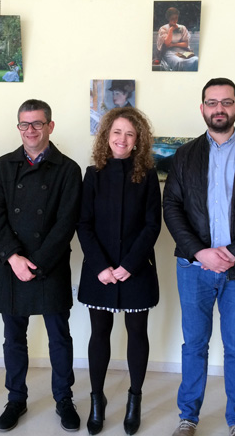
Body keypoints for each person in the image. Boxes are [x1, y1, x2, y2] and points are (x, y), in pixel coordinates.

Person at [163, 77, 235, 436]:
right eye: (212, 102)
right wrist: (199, 251)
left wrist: (234, 251)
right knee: (194, 344)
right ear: (202, 108)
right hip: (193, 267)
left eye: (226, 102)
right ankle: (188, 416)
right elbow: (172, 207)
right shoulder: (184, 155)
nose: (219, 109)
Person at [0, 99, 82, 433]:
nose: (30, 131)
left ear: (50, 126)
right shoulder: (3, 166)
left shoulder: (69, 170)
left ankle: (64, 399)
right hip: (10, 266)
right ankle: (16, 399)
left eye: (37, 124)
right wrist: (14, 258)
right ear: (19, 128)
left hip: (49, 266)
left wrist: (36, 263)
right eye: (24, 125)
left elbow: (66, 223)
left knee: (60, 338)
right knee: (14, 339)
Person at [77, 108, 161, 435]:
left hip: (136, 271)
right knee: (100, 335)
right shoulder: (92, 174)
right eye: (116, 132)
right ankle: (97, 402)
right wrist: (102, 267)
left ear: (137, 139)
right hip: (99, 272)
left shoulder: (149, 175)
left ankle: (134, 399)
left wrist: (128, 265)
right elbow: (83, 224)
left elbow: (153, 225)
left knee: (137, 334)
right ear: (106, 136)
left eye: (129, 133)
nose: (122, 139)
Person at [156, 7, 199, 71]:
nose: (175, 20)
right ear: (168, 18)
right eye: (172, 18)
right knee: (179, 62)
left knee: (195, 60)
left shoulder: (182, 28)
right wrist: (171, 30)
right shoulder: (163, 28)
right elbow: (167, 44)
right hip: (168, 52)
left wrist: (173, 44)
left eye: (176, 18)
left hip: (181, 50)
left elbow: (186, 44)